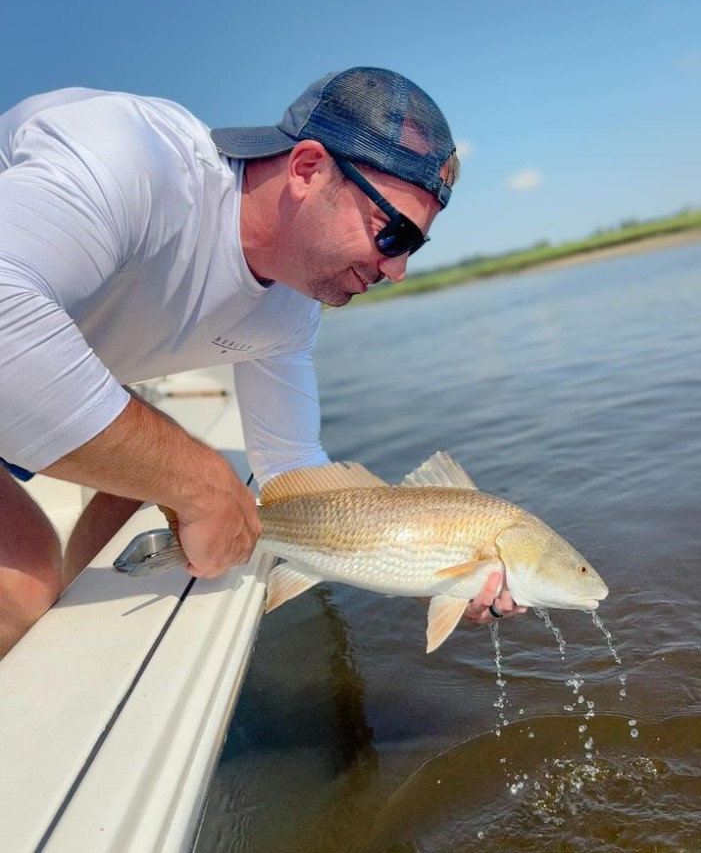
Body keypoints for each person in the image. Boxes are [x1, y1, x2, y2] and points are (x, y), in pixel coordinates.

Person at [0, 67, 524, 657]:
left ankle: (68, 649)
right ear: (306, 169)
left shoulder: (292, 310)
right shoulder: (132, 157)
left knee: (139, 480)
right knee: (23, 584)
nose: (397, 270)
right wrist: (198, 482)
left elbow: (291, 465)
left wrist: (435, 567)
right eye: (392, 234)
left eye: (413, 246)